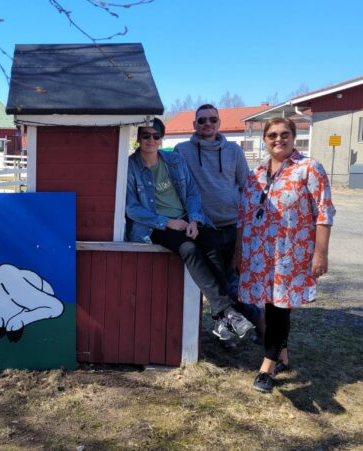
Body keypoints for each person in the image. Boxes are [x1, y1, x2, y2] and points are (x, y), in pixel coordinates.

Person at [126, 118, 255, 341]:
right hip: (155, 225)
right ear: (138, 139)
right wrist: (166, 222)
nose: (151, 140)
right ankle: (228, 312)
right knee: (189, 249)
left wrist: (194, 220)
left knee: (211, 242)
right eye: (146, 135)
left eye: (156, 136)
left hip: (186, 219)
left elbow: (193, 193)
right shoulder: (130, 167)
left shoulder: (174, 161)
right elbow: (131, 207)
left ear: (161, 138)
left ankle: (223, 316)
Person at [236, 117, 335, 393]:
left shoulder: (309, 169)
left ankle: (267, 367)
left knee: (280, 307)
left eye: (284, 134)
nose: (278, 140)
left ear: (294, 136)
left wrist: (320, 254)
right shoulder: (256, 174)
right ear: (264, 139)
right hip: (259, 255)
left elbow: (324, 213)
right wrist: (238, 253)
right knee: (271, 305)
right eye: (272, 135)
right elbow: (244, 218)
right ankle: (283, 356)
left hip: (291, 254)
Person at [174, 104, 262, 348]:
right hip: (205, 228)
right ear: (194, 125)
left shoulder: (233, 151)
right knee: (217, 282)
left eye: (212, 119)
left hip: (233, 227)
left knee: (235, 283)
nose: (207, 124)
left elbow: (248, 186)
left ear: (219, 122)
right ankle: (230, 333)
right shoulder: (182, 151)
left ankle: (256, 323)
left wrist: (252, 222)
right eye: (202, 120)